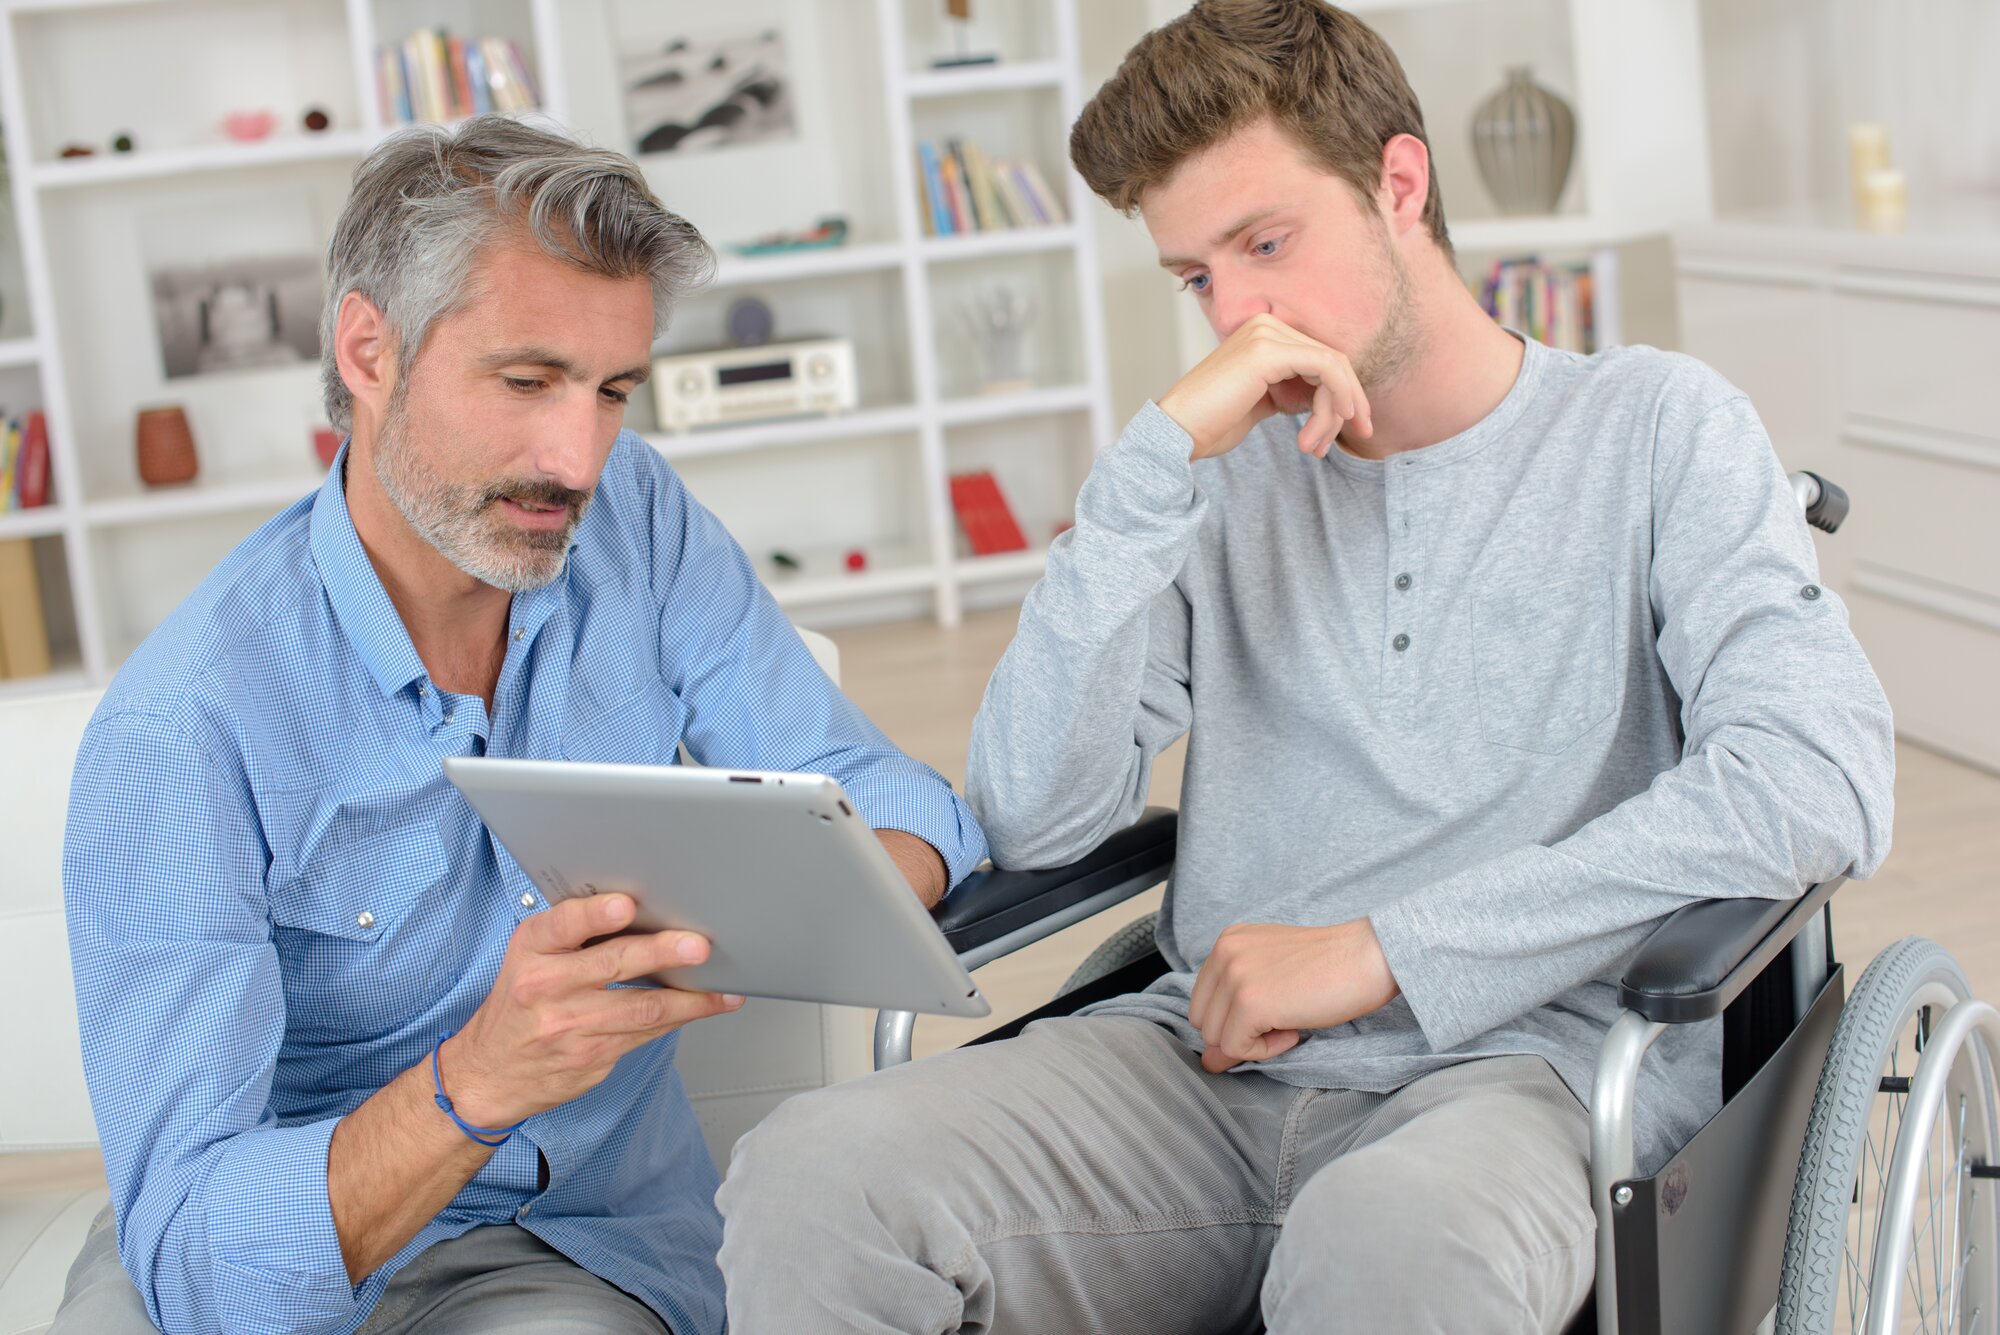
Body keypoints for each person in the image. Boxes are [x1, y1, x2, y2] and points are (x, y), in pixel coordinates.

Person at [714, 3, 1894, 1331]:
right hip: (1202, 1070)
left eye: (1267, 242)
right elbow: (1036, 813)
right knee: (812, 1174)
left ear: (1400, 182)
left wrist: (1390, 949)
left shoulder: (1656, 428)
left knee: (1387, 1242)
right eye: (1196, 275)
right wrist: (1143, 472)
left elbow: (1820, 780)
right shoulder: (1216, 479)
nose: (1238, 313)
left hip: (1527, 1070)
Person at [56, 115, 984, 1335]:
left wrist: (828, 890)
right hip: (264, 1250)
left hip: (565, 1250)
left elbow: (872, 783)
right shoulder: (186, 728)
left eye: (610, 391)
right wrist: (478, 1079)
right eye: (526, 380)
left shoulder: (633, 521)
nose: (579, 455)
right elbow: (193, 1255)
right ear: (368, 350)